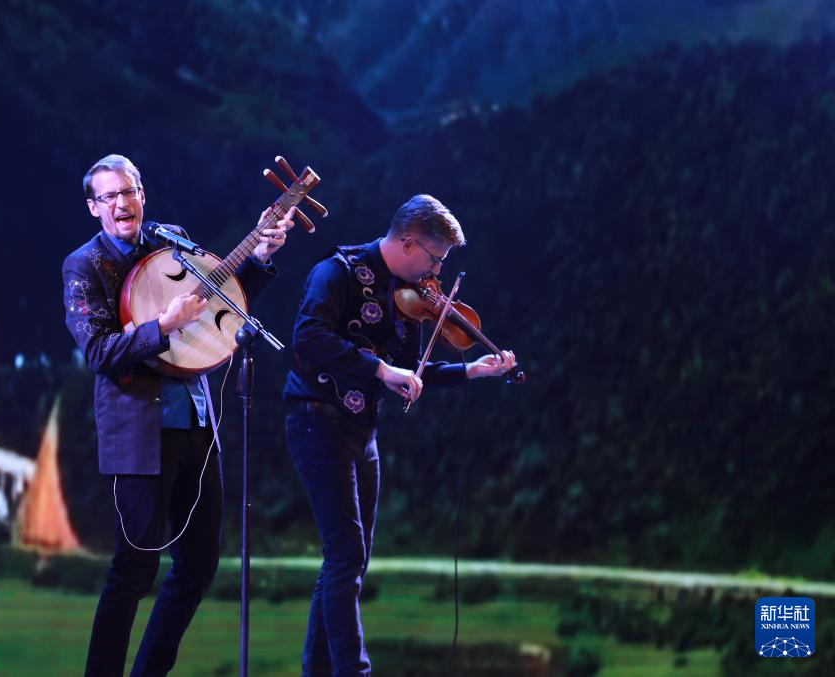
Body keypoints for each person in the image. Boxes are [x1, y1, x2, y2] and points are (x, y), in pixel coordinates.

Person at [62, 154, 294, 676]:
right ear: (93, 207)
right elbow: (97, 351)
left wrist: (259, 254)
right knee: (134, 569)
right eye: (109, 196)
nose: (122, 203)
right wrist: (162, 326)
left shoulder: (171, 243)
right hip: (140, 430)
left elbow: (220, 303)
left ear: (142, 195)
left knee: (198, 567)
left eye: (129, 191)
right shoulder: (84, 265)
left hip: (196, 421)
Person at [282, 194, 517, 676]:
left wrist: (471, 370)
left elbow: (411, 372)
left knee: (349, 560)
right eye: (435, 259)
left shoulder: (409, 298)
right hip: (317, 419)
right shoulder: (338, 272)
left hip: (362, 429)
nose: (436, 274)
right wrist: (379, 369)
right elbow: (308, 337)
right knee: (346, 555)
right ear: (409, 242)